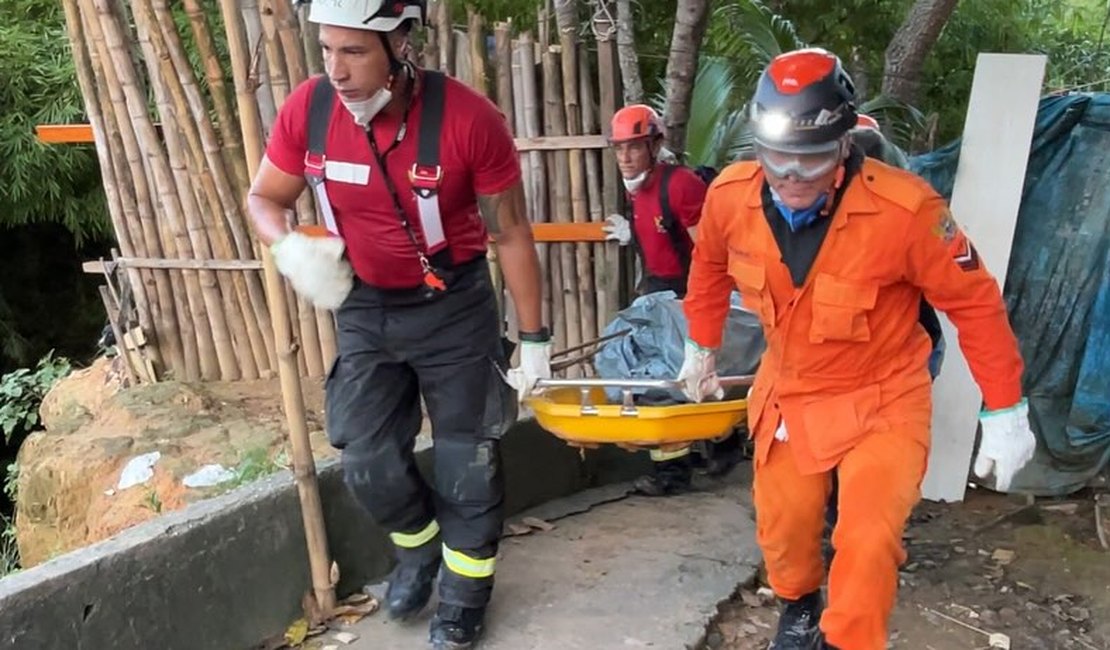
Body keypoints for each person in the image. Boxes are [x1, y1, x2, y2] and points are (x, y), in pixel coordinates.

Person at [678, 48, 1037, 650]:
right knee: (785, 531)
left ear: (844, 146)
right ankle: (797, 608)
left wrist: (1005, 410)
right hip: (789, 390)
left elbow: (973, 302)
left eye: (811, 160)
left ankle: (848, 641)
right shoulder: (730, 199)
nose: (791, 176)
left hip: (882, 397)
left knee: (868, 541)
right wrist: (701, 344)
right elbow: (708, 268)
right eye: (776, 158)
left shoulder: (907, 212)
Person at [245, 1, 549, 647]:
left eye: (354, 51)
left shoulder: (469, 119)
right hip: (364, 308)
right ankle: (419, 550)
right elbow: (265, 198)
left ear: (400, 46)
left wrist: (535, 339)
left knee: (469, 460)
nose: (336, 69)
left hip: (454, 309)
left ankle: (466, 596)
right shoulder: (311, 109)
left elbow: (512, 232)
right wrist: (289, 246)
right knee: (367, 458)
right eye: (327, 50)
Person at [601, 104, 741, 496]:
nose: (625, 158)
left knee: (674, 382)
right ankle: (695, 457)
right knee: (657, 382)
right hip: (658, 294)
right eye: (619, 149)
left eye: (634, 148)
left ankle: (703, 454)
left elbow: (709, 252)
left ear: (655, 145)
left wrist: (700, 304)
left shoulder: (680, 186)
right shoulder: (641, 192)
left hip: (687, 297)